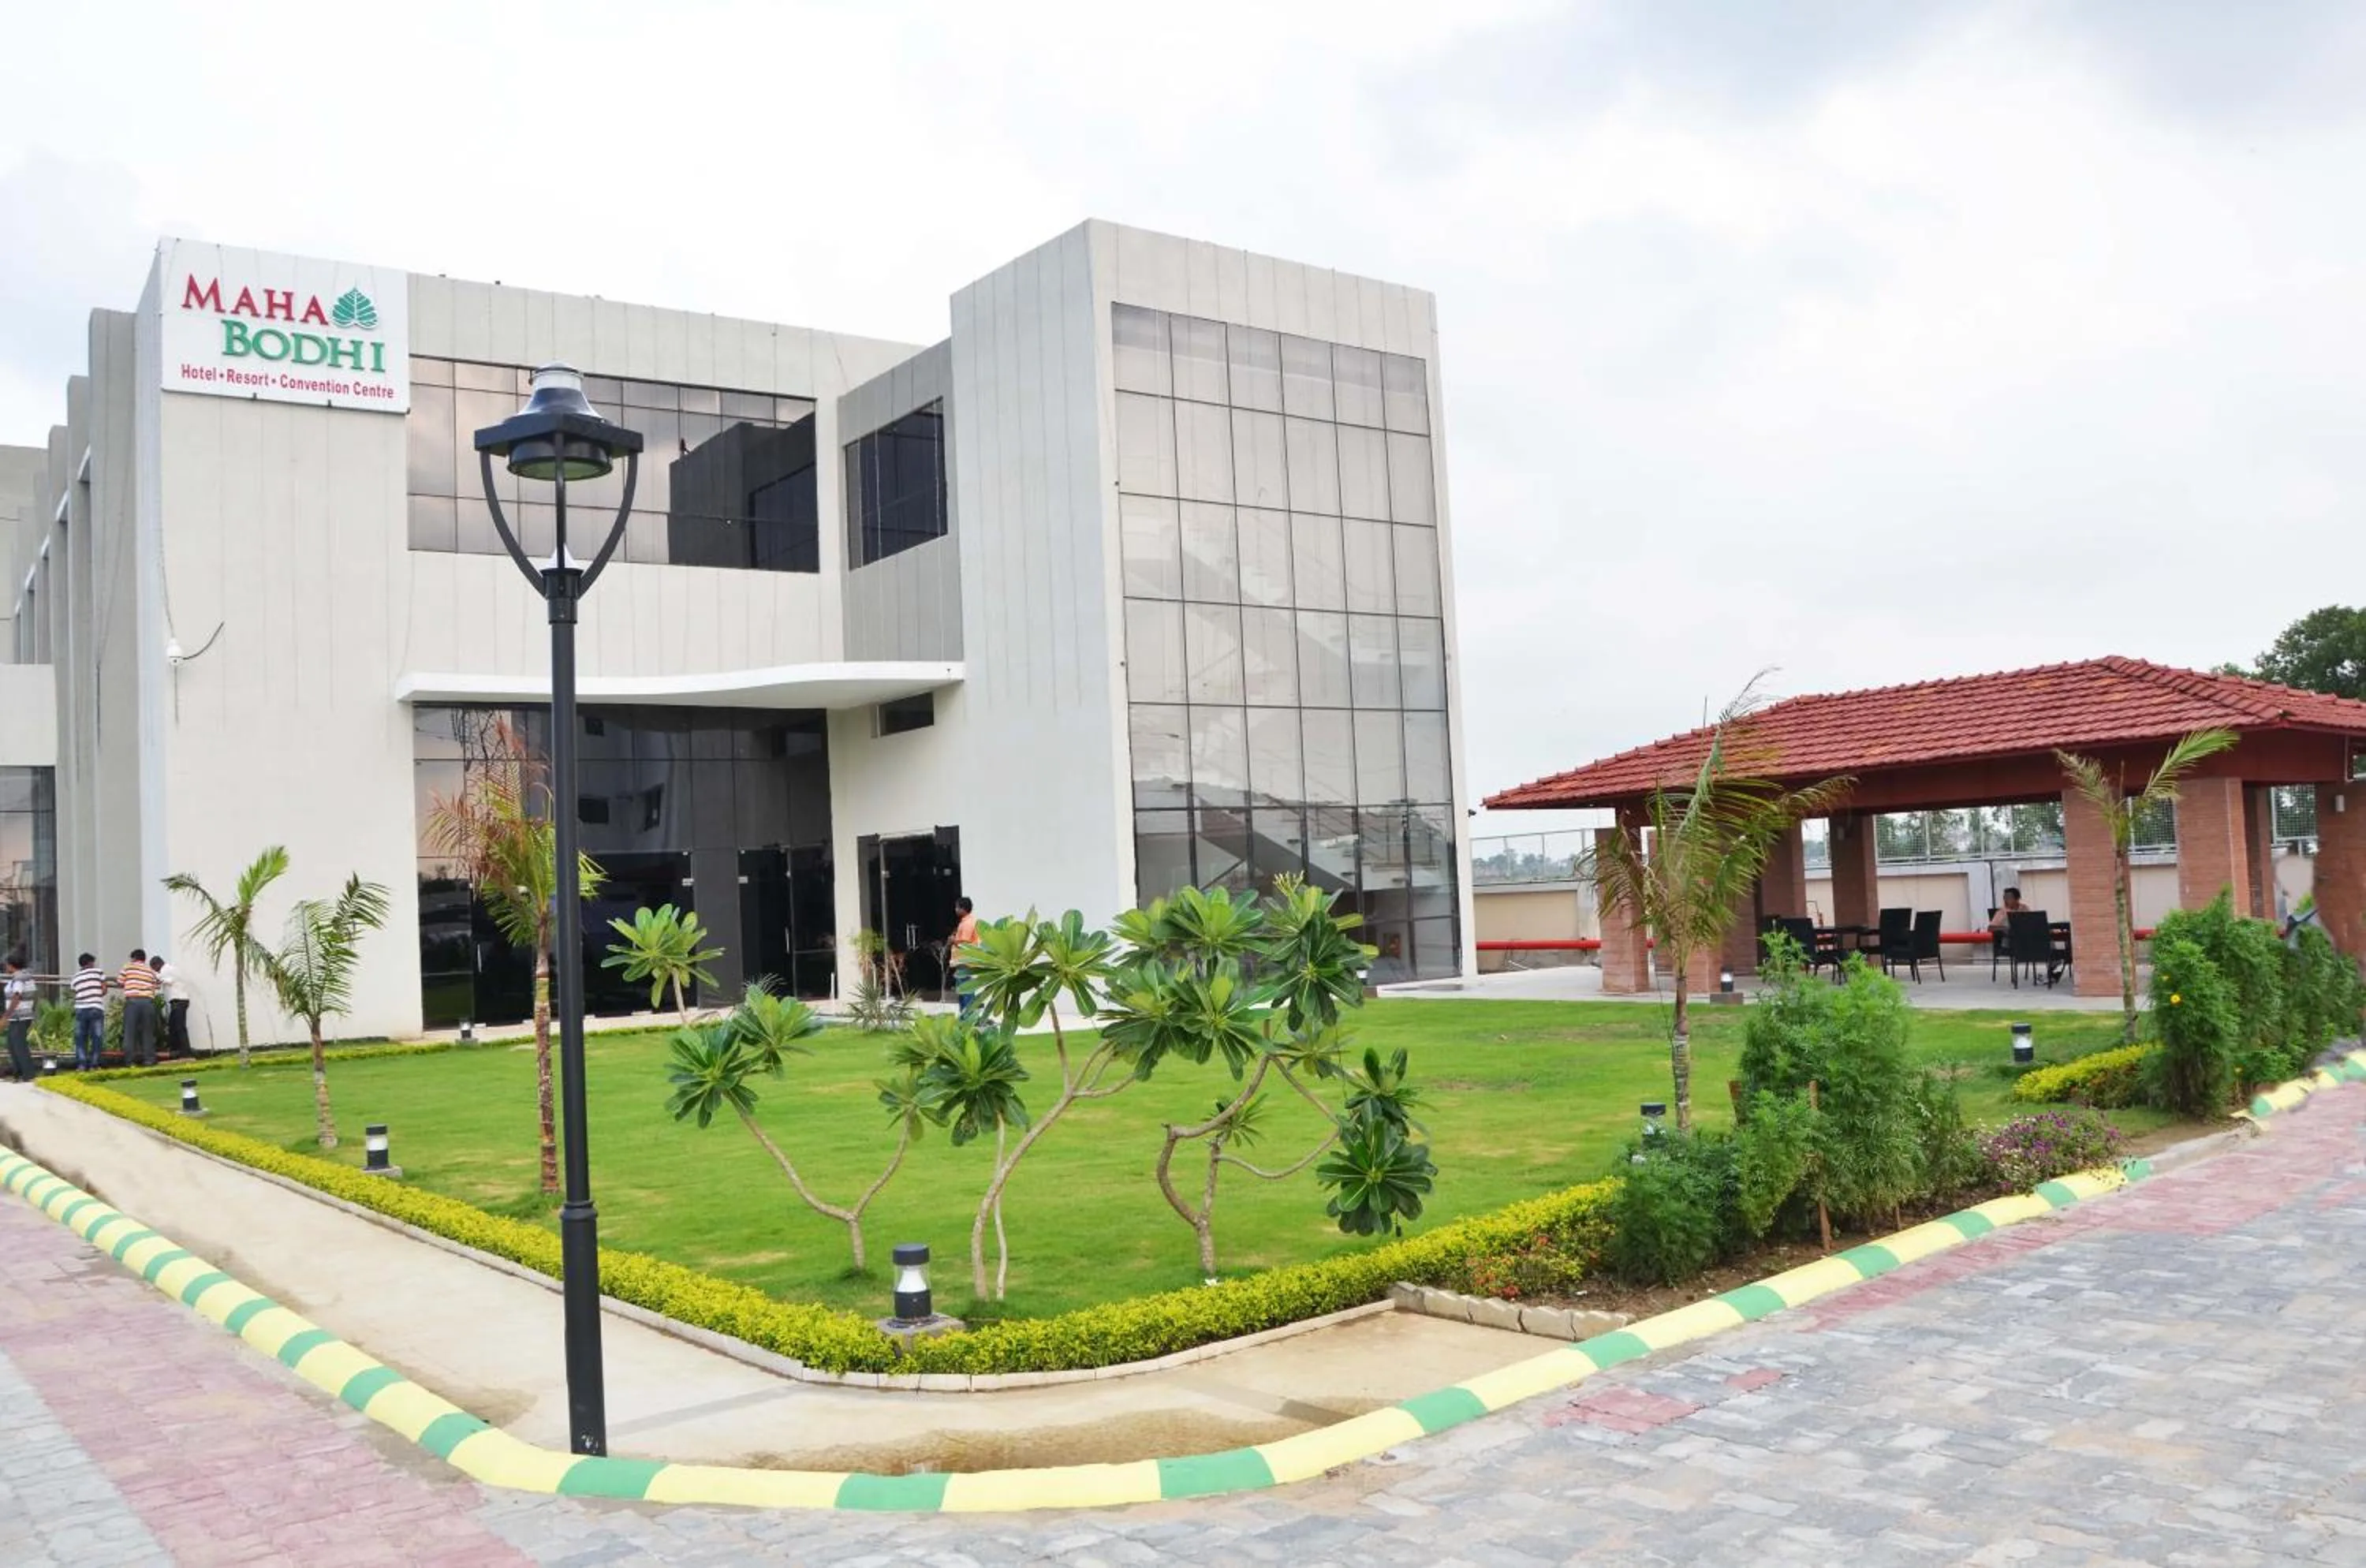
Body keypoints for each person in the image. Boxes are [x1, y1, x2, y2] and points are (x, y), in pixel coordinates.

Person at [118, 947, 162, 1069]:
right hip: (148, 1002)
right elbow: (158, 984)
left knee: (130, 1032)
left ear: (134, 958)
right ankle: (149, 1060)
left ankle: (130, 1061)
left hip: (133, 1002)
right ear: (144, 959)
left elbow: (120, 982)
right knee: (148, 1033)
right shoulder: (150, 970)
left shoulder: (128, 967)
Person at [70, 952, 106, 1070]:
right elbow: (104, 989)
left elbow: (74, 991)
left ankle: (81, 1064)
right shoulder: (98, 972)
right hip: (96, 1007)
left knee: (80, 1038)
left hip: (80, 1008)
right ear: (90, 963)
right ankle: (94, 1064)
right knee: (97, 1037)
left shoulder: (76, 977)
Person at [152, 954, 191, 1059]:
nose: (156, 971)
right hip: (180, 1001)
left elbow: (164, 980)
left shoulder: (166, 970)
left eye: (155, 969)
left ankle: (185, 1053)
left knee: (179, 1027)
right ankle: (177, 1051)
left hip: (179, 1001)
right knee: (173, 1027)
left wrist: (154, 977)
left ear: (157, 965)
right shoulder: (171, 969)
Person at [2, 956, 33, 1082]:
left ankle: (27, 1074)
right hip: (18, 1017)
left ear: (11, 965)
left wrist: (6, 1016)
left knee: (19, 1046)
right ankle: (18, 1073)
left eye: (6, 965)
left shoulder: (19, 978)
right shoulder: (23, 977)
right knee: (12, 1045)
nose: (5, 967)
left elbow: (17, 996)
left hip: (19, 1016)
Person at [950, 897, 980, 1015]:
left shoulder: (967, 924)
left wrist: (953, 940)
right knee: (962, 990)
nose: (955, 909)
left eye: (957, 907)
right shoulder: (967, 921)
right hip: (963, 962)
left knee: (966, 990)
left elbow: (965, 943)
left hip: (965, 962)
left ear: (963, 909)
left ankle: (968, 1017)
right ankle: (964, 1017)